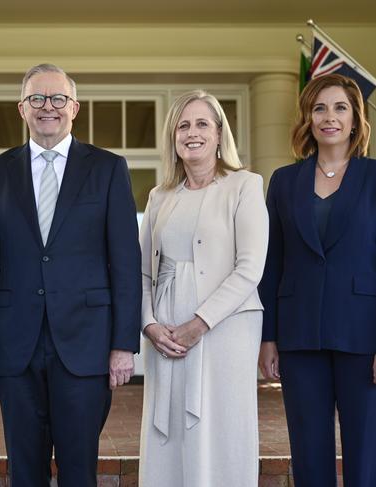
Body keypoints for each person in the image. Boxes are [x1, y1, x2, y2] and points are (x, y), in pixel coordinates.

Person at [0, 63, 141, 487]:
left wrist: (124, 344)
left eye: (58, 98)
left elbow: (125, 263)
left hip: (86, 344)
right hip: (15, 345)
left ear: (75, 108)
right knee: (24, 470)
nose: (49, 107)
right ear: (22, 109)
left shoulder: (108, 168)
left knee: (79, 468)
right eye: (37, 99)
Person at [138, 90, 268, 486]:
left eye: (201, 124)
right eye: (183, 125)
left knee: (221, 428)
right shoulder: (159, 197)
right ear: (173, 138)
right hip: (166, 334)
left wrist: (200, 323)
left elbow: (250, 267)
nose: (192, 133)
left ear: (217, 134)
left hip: (226, 329)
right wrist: (148, 325)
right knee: (169, 432)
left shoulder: (245, 185)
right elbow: (142, 273)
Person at [259, 73, 375, 487]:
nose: (329, 117)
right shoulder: (284, 182)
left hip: (364, 336)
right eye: (319, 108)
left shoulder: (375, 177)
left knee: (368, 452)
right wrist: (267, 336)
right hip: (298, 335)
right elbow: (272, 262)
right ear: (307, 118)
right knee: (309, 450)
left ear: (356, 119)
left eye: (340, 107)